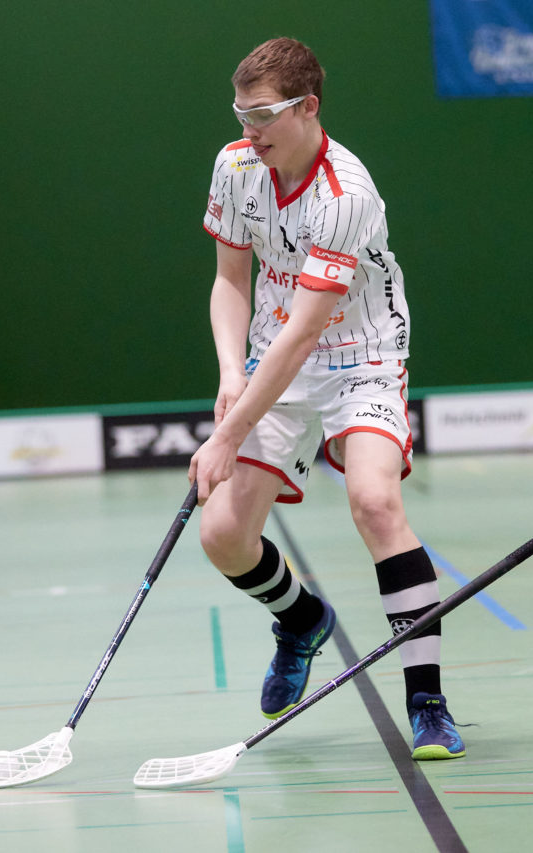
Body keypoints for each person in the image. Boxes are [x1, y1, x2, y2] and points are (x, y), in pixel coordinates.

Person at [188, 37, 464, 760]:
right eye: (241, 112)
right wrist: (228, 372)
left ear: (308, 108)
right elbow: (229, 280)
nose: (249, 129)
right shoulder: (236, 164)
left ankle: (427, 699)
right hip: (274, 351)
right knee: (222, 533)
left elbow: (310, 332)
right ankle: (302, 619)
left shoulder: (346, 196)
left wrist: (224, 437)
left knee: (375, 501)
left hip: (361, 355)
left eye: (263, 115)